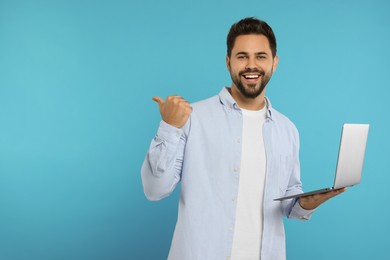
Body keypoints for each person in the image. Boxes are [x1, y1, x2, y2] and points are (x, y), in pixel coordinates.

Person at [141, 17, 346, 260]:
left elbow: (289, 206)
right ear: (228, 62)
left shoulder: (287, 129)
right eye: (242, 56)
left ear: (274, 63)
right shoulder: (192, 118)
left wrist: (309, 202)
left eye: (261, 56)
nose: (251, 65)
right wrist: (170, 126)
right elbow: (154, 190)